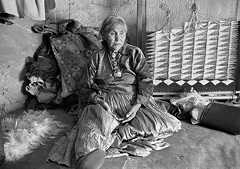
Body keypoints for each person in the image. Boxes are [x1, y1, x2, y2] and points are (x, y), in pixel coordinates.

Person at [47, 15, 181, 169]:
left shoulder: (134, 53)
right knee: (92, 127)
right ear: (104, 35)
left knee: (160, 124)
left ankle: (117, 136)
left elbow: (146, 81)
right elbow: (84, 87)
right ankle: (89, 157)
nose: (118, 38)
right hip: (106, 102)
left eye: (121, 34)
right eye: (112, 33)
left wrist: (137, 105)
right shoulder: (96, 57)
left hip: (133, 101)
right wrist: (96, 99)